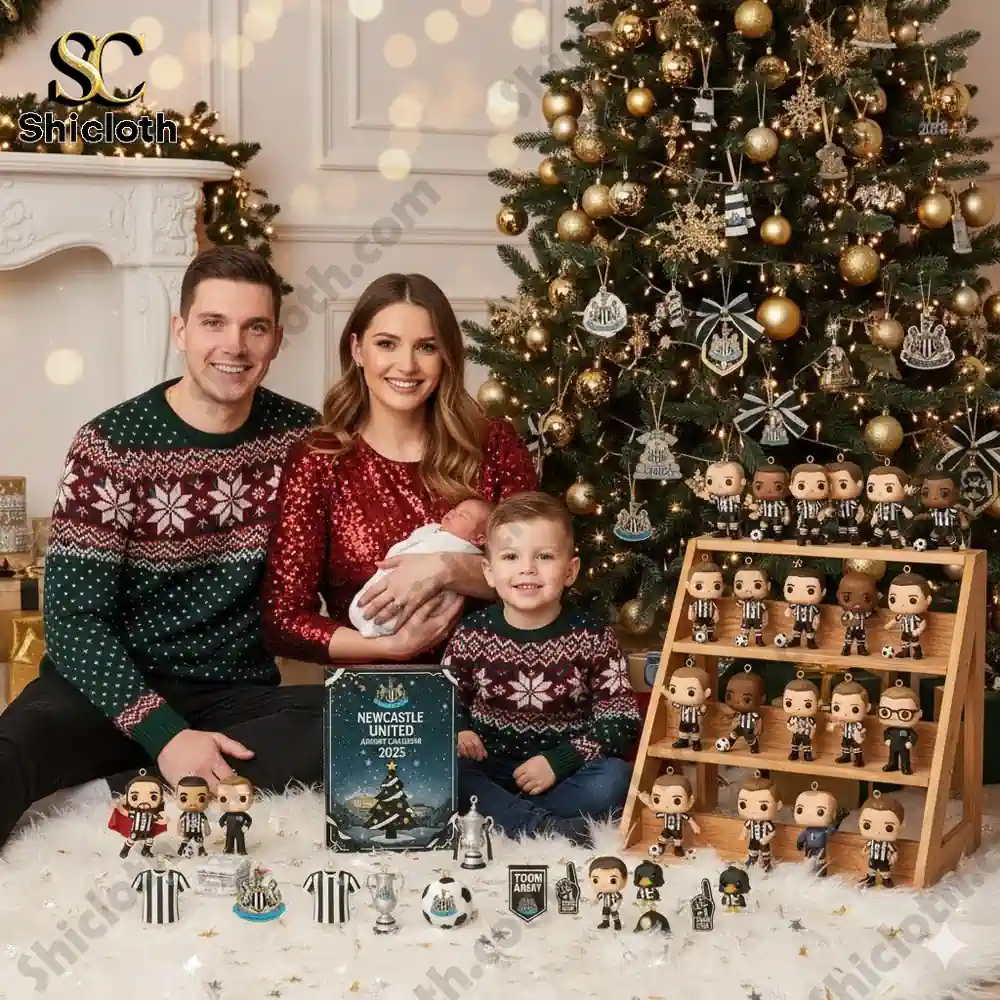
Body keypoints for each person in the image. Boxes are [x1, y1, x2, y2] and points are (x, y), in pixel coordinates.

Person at [0, 247, 322, 853]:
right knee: (13, 746)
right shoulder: (111, 444)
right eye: (213, 323)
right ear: (180, 330)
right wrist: (166, 734)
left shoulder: (302, 438)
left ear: (276, 340)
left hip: (233, 692)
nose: (235, 346)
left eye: (255, 327)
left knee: (356, 725)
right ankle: (166, 766)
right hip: (107, 684)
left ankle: (118, 789)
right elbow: (73, 624)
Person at [261, 273, 538, 664]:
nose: (406, 365)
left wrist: (446, 569)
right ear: (357, 349)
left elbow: (540, 572)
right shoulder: (319, 460)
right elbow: (283, 621)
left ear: (447, 356)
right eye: (386, 344)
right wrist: (389, 648)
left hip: (496, 685)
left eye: (426, 347)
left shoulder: (494, 444)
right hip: (377, 701)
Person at [445, 492, 640, 846]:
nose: (527, 569)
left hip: (562, 772)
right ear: (489, 571)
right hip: (489, 765)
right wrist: (459, 730)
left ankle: (508, 818)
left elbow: (620, 719)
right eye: (510, 557)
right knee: (447, 774)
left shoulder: (593, 635)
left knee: (615, 778)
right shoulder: (473, 633)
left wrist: (559, 761)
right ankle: (543, 827)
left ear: (570, 571)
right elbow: (444, 696)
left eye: (545, 557)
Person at [348, 497, 492, 638]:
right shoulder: (432, 531)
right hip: (394, 577)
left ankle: (382, 626)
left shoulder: (465, 549)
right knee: (374, 597)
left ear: (479, 539)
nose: (452, 513)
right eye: (454, 510)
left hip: (423, 604)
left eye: (462, 515)